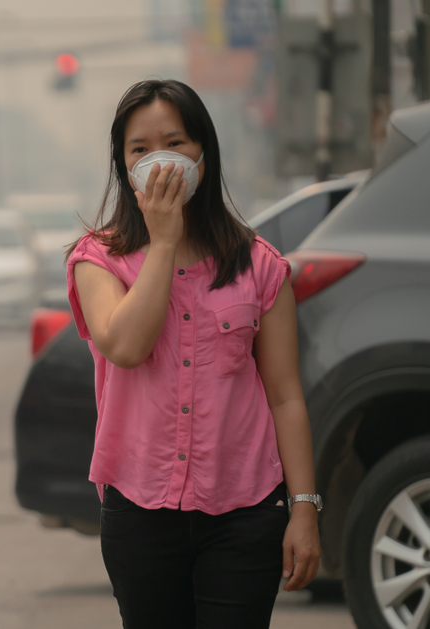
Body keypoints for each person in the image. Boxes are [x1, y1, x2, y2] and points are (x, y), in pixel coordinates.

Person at [65, 79, 321, 628]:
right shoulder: (98, 260)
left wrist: (304, 508)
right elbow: (126, 347)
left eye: (176, 143)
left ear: (204, 153)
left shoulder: (260, 265)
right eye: (141, 149)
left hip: (246, 511)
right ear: (123, 164)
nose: (160, 160)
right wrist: (161, 242)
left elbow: (285, 397)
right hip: (139, 512)